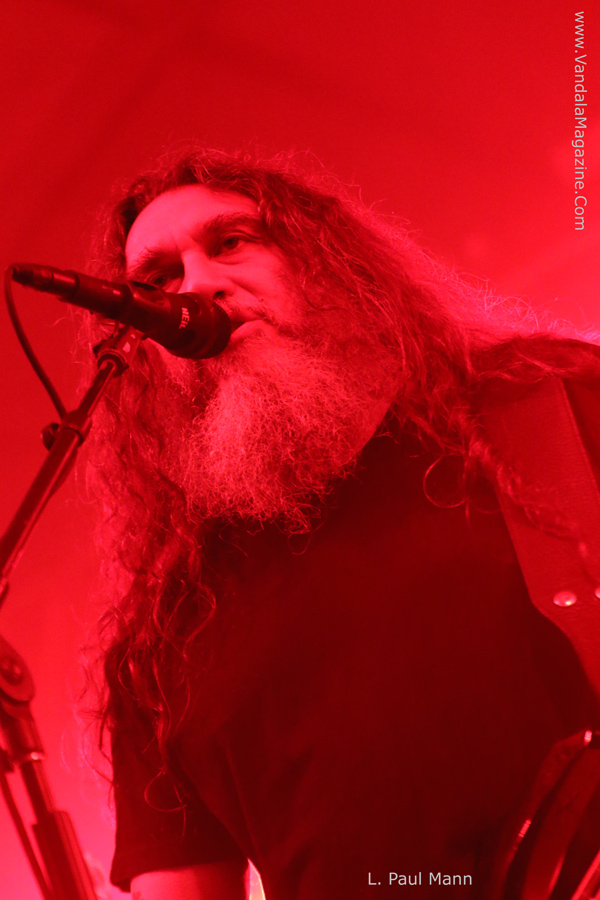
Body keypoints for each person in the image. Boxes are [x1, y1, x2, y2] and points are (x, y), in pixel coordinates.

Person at [85, 147, 600, 899]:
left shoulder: (548, 409)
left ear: (327, 267)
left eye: (231, 242)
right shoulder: (164, 639)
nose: (194, 286)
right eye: (158, 280)